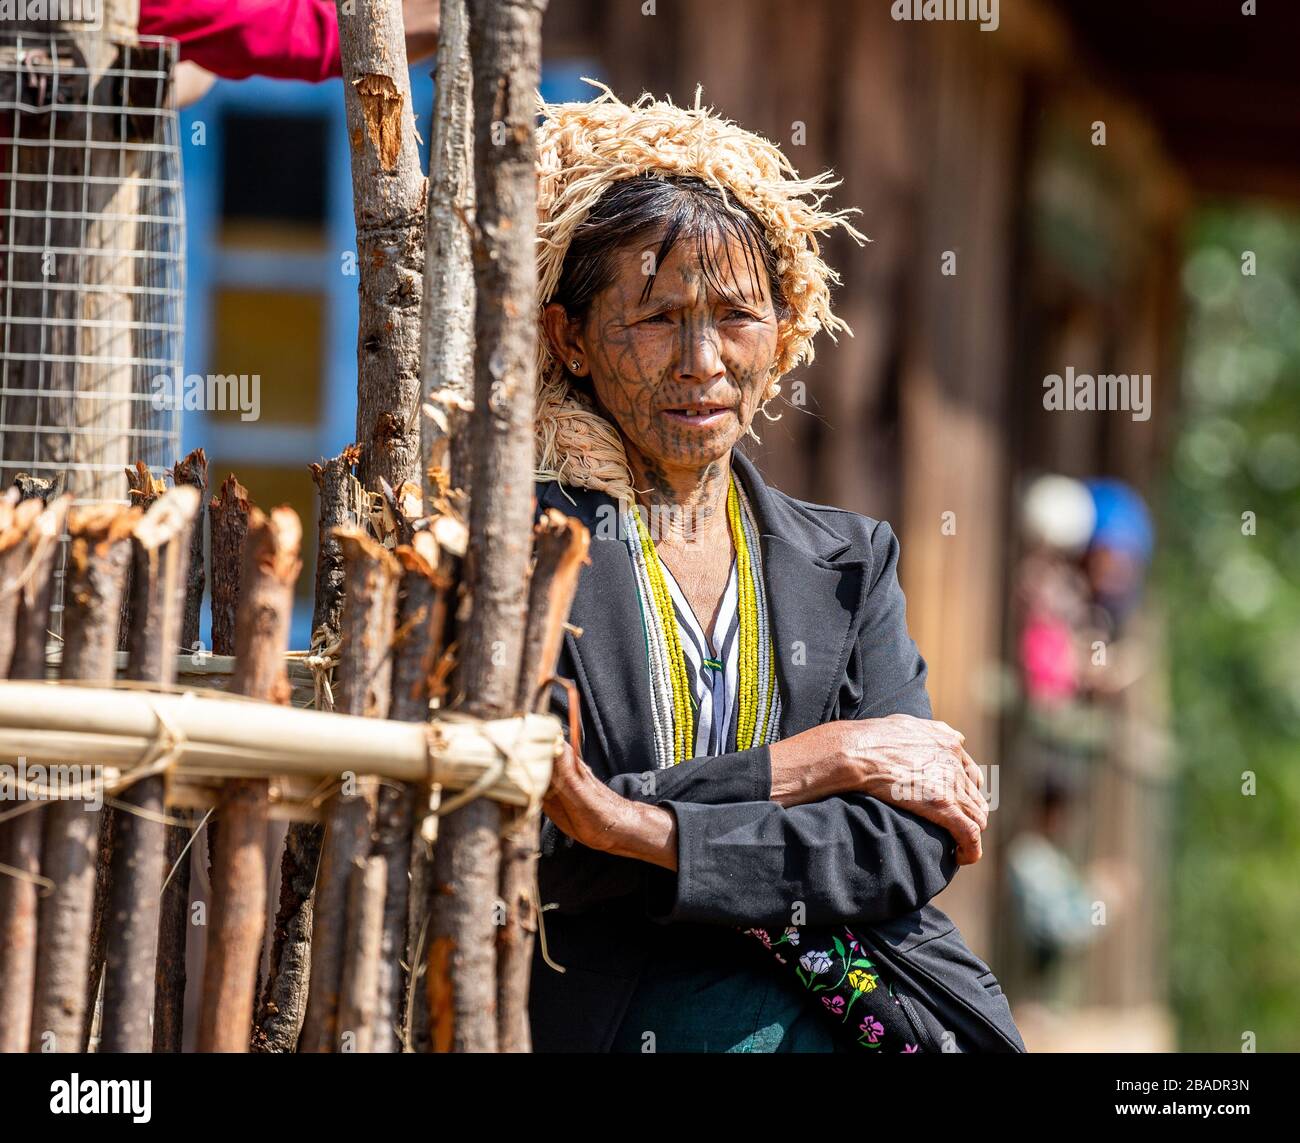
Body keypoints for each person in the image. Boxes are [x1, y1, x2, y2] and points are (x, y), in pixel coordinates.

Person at [528, 82, 1025, 1053]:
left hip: (846, 1007)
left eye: (735, 316)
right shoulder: (531, 553)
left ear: (785, 328)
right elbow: (538, 838)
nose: (701, 360)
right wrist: (818, 762)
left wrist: (643, 830)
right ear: (569, 339)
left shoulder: (846, 561)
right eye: (654, 318)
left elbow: (903, 845)